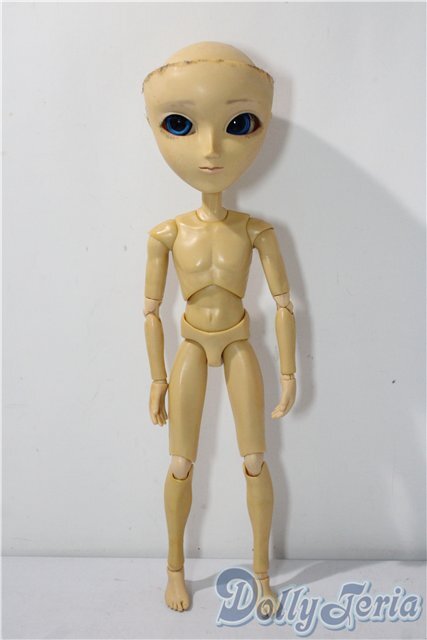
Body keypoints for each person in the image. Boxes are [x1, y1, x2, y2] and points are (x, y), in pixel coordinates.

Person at [143, 41, 296, 612]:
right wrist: (157, 378)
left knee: (254, 460)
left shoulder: (257, 231)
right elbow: (150, 310)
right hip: (189, 344)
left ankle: (262, 575)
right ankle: (174, 570)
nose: (210, 150)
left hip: (237, 344)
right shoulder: (166, 234)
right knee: (180, 462)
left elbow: (285, 304)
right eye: (180, 124)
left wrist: (289, 373)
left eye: (240, 123)